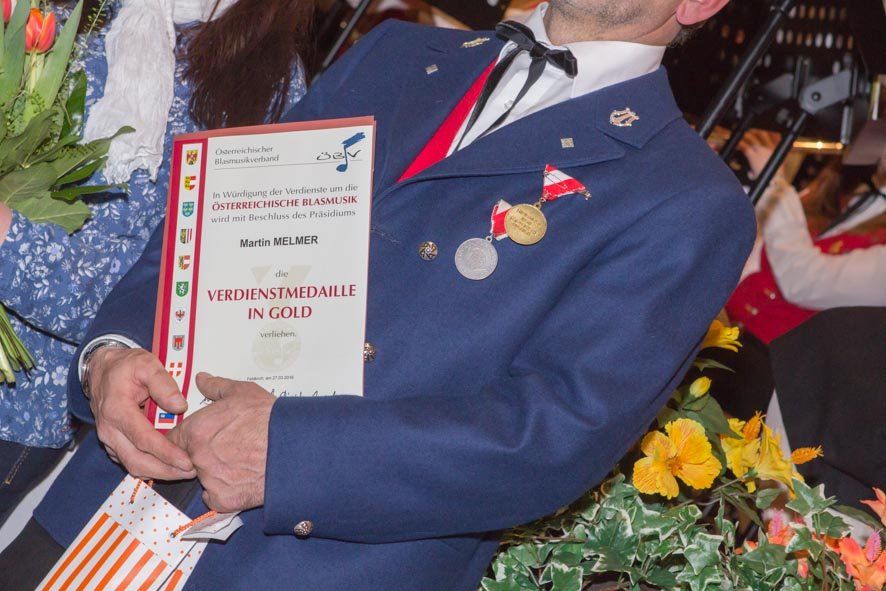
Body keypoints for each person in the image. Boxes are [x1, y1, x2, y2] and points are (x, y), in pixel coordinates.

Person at [0, 0, 755, 589]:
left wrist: (291, 455)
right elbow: (213, 223)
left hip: (313, 566)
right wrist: (112, 352)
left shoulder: (688, 199)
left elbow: (551, 435)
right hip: (117, 506)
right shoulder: (397, 51)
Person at [0, 0, 310, 522]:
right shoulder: (76, 10)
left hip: (17, 401)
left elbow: (156, 292)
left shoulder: (271, 81)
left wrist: (9, 240)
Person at [727, 132, 886, 345]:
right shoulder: (859, 192)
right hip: (729, 327)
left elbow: (805, 282)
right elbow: (763, 244)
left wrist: (773, 182)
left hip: (768, 357)